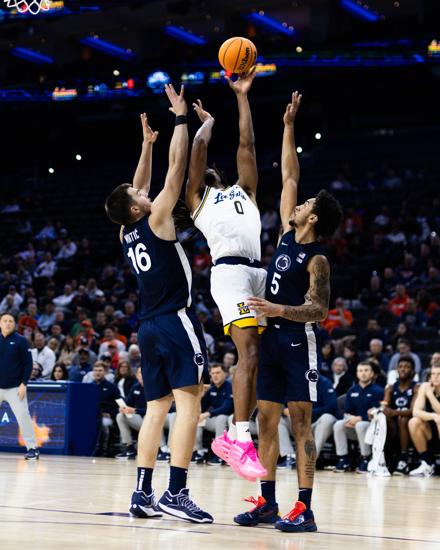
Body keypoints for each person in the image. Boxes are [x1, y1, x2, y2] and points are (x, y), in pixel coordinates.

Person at [235, 92, 343, 533]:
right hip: (274, 339)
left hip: (300, 340)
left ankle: (305, 507)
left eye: (306, 206)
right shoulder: (284, 234)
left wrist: (277, 307)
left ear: (313, 219)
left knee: (300, 423)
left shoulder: (317, 260)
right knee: (266, 421)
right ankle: (267, 501)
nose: (297, 205)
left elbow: (319, 309)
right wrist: (287, 126)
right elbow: (290, 175)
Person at [104, 85, 212, 523]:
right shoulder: (158, 218)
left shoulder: (126, 231)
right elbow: (176, 170)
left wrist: (146, 145)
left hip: (147, 327)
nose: (143, 192)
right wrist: (180, 119)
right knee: (190, 405)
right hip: (175, 320)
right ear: (136, 209)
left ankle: (142, 493)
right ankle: (177, 492)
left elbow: (141, 185)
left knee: (155, 409)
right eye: (137, 196)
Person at [185, 69, 267, 480]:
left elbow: (247, 144)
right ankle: (240, 437)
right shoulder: (198, 200)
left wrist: (241, 97)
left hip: (258, 272)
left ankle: (235, 435)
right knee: (247, 353)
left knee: (259, 358)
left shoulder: (244, 191)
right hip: (230, 272)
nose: (207, 173)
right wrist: (208, 124)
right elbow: (197, 153)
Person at [333, 361, 384, 474]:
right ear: (357, 374)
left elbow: (378, 412)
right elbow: (347, 411)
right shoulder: (352, 391)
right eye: (360, 371)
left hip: (372, 427)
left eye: (366, 370)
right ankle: (343, 458)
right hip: (354, 426)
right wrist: (350, 419)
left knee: (360, 425)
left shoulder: (378, 391)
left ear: (372, 374)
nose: (363, 373)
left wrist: (360, 418)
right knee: (338, 425)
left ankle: (366, 458)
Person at [0, 313, 38, 459]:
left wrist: (24, 384)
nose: (8, 323)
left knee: (23, 417)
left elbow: (28, 364)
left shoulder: (21, 340)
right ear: (0, 324)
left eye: (10, 321)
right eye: (5, 321)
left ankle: (32, 448)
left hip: (15, 388)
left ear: (14, 324)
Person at [382, 356, 419, 475]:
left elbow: (413, 410)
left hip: (410, 424)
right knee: (383, 418)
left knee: (403, 419)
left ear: (412, 371)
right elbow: (385, 407)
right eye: (400, 366)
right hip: (394, 424)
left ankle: (404, 458)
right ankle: (382, 456)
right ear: (396, 369)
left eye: (407, 367)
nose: (403, 369)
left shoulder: (416, 387)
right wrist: (386, 411)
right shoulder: (390, 388)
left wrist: (395, 412)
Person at [194, 364, 234, 465]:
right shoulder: (211, 389)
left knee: (221, 418)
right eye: (213, 373)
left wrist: (208, 413)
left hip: (229, 420)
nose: (215, 376)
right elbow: (202, 408)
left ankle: (220, 454)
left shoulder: (230, 387)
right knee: (197, 418)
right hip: (214, 420)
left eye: (218, 373)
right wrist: (201, 395)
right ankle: (199, 451)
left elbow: (227, 408)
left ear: (225, 374)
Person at [408, 362, 440, 477]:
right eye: (433, 374)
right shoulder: (425, 386)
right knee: (414, 422)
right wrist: (434, 416)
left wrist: (430, 395)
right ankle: (427, 463)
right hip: (432, 429)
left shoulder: (428, 391)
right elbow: (415, 411)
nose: (435, 377)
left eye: (439, 374)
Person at [115, 367, 146, 459]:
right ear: (137, 375)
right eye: (140, 373)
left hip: (151, 419)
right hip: (139, 419)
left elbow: (156, 409)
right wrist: (123, 408)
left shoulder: (154, 388)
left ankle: (161, 449)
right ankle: (129, 447)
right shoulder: (136, 387)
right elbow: (128, 403)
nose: (142, 375)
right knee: (120, 416)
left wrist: (135, 410)